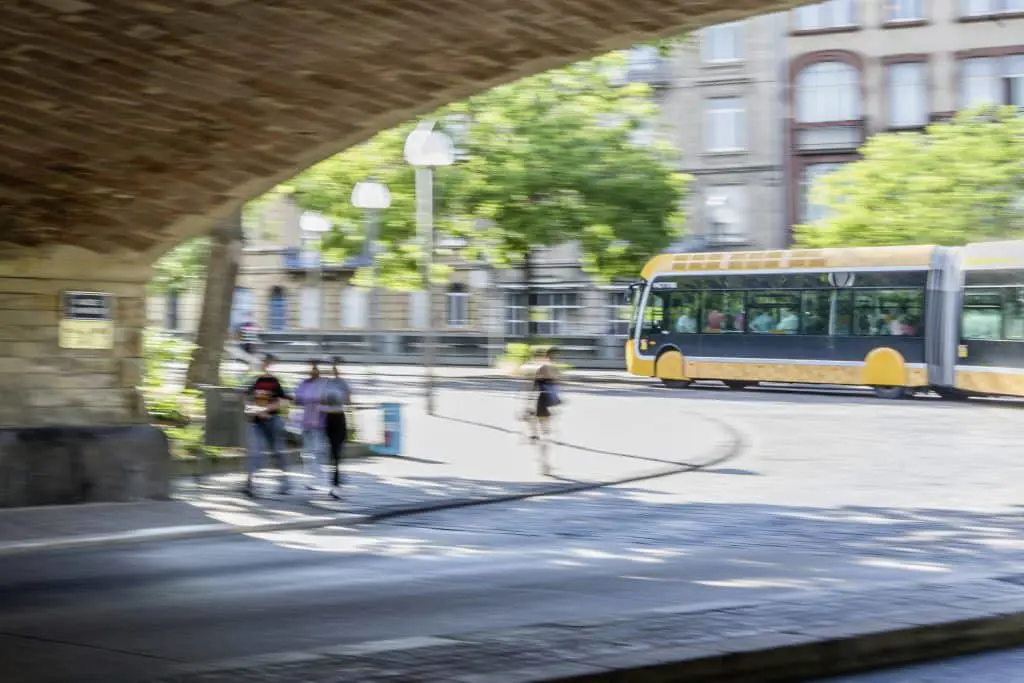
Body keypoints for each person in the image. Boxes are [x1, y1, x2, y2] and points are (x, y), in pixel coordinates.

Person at [243, 354, 290, 498]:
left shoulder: (275, 382)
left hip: (273, 420)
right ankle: (250, 482)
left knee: (278, 451)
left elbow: (284, 401)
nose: (264, 365)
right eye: (263, 362)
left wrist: (266, 409)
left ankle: (284, 482)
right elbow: (246, 398)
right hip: (256, 422)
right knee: (255, 452)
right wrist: (253, 409)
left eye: (267, 362)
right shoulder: (255, 381)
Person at [320, 356, 353, 500]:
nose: (334, 368)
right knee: (329, 453)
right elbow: (320, 402)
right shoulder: (325, 384)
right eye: (332, 366)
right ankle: (335, 480)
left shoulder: (344, 383)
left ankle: (335, 484)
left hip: (339, 419)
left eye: (336, 366)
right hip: (328, 420)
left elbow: (348, 402)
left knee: (337, 454)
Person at [526, 347, 563, 477]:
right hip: (546, 403)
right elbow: (556, 388)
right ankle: (544, 464)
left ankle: (543, 463)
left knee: (542, 435)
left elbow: (533, 388)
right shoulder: (551, 369)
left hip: (542, 402)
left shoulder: (541, 368)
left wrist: (528, 406)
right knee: (545, 435)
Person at [294, 360, 326, 489]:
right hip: (306, 422)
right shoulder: (304, 384)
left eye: (315, 368)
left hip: (319, 423)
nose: (313, 371)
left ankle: (315, 478)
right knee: (306, 452)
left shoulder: (324, 385)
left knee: (317, 451)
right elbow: (297, 400)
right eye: (311, 368)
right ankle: (311, 477)